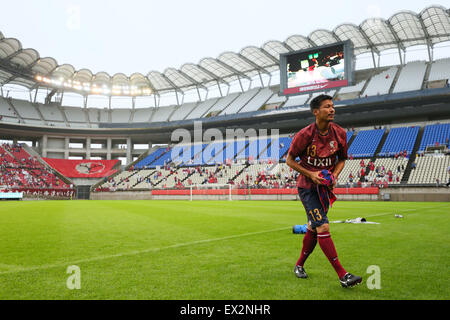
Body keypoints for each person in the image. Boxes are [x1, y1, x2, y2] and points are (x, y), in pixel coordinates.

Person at [286, 94, 362, 288]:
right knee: (323, 226)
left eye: (333, 106)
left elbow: (342, 159)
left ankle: (299, 265)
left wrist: (335, 174)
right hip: (308, 188)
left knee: (313, 227)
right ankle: (343, 275)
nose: (332, 110)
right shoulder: (304, 135)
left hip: (325, 189)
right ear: (316, 112)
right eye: (327, 106)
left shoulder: (339, 133)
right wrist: (311, 174)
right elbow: (290, 160)